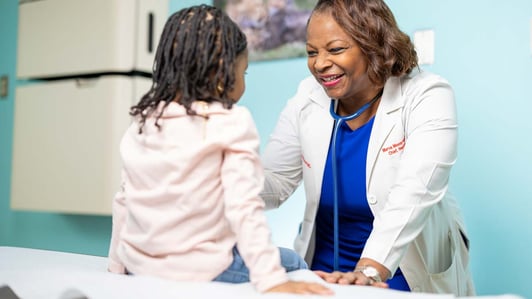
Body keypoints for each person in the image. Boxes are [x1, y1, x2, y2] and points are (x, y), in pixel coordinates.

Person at [107, 4, 332, 296]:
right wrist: (272, 280)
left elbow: (124, 199)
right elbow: (244, 208)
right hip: (200, 268)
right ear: (224, 73)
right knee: (295, 261)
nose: (243, 83)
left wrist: (116, 267)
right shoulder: (231, 123)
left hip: (140, 263)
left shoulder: (144, 121)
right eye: (244, 73)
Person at [260, 0, 475, 295]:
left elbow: (415, 192)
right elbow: (276, 181)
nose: (319, 63)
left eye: (335, 49)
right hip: (322, 269)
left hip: (397, 268)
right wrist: (218, 177)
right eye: (312, 52)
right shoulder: (307, 97)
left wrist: (368, 272)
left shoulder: (426, 95)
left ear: (373, 45)